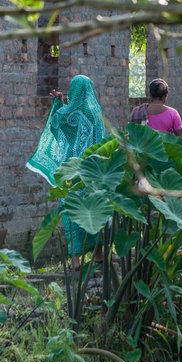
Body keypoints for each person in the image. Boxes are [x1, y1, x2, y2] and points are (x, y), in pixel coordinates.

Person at [26, 75, 106, 263]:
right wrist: (64, 102)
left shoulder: (69, 114)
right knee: (93, 212)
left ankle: (76, 261)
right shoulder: (95, 113)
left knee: (72, 212)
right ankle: (99, 257)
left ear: (73, 91)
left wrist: (58, 104)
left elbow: (55, 126)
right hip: (92, 173)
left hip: (70, 173)